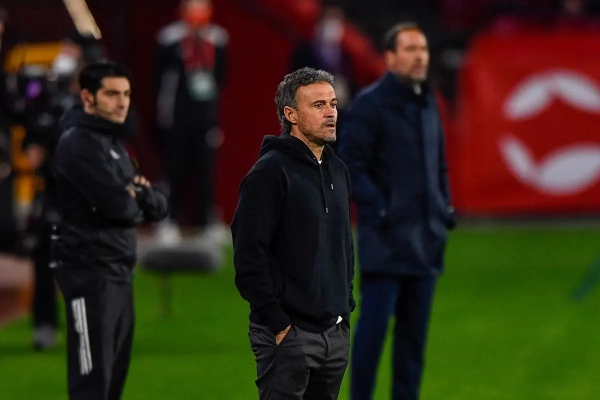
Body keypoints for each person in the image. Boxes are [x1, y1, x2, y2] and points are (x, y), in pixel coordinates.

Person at [337, 23, 456, 400]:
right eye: (410, 49)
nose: (420, 56)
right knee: (372, 337)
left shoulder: (428, 102)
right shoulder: (369, 105)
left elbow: (438, 163)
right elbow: (349, 165)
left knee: (413, 345)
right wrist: (381, 209)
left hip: (426, 241)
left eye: (423, 49)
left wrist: (444, 206)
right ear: (390, 58)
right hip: (386, 243)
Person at [231, 67, 355, 399]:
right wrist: (279, 323)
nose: (330, 113)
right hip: (289, 335)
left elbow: (343, 245)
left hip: (334, 334)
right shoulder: (269, 173)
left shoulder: (338, 170)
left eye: (333, 104)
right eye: (318, 105)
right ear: (291, 115)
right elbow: (248, 256)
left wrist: (344, 308)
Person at [52, 61, 169, 399]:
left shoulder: (112, 144)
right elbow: (122, 207)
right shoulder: (78, 144)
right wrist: (134, 196)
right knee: (92, 383)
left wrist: (135, 195)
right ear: (87, 97)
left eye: (127, 94)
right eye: (112, 94)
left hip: (119, 270)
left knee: (113, 381)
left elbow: (158, 205)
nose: (122, 102)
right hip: (88, 272)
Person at [154, 0, 229, 246]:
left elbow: (221, 77)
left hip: (205, 114)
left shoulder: (218, 39)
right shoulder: (169, 39)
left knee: (206, 167)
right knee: (173, 167)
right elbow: (159, 77)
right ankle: (168, 220)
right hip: (176, 114)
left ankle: (208, 220)